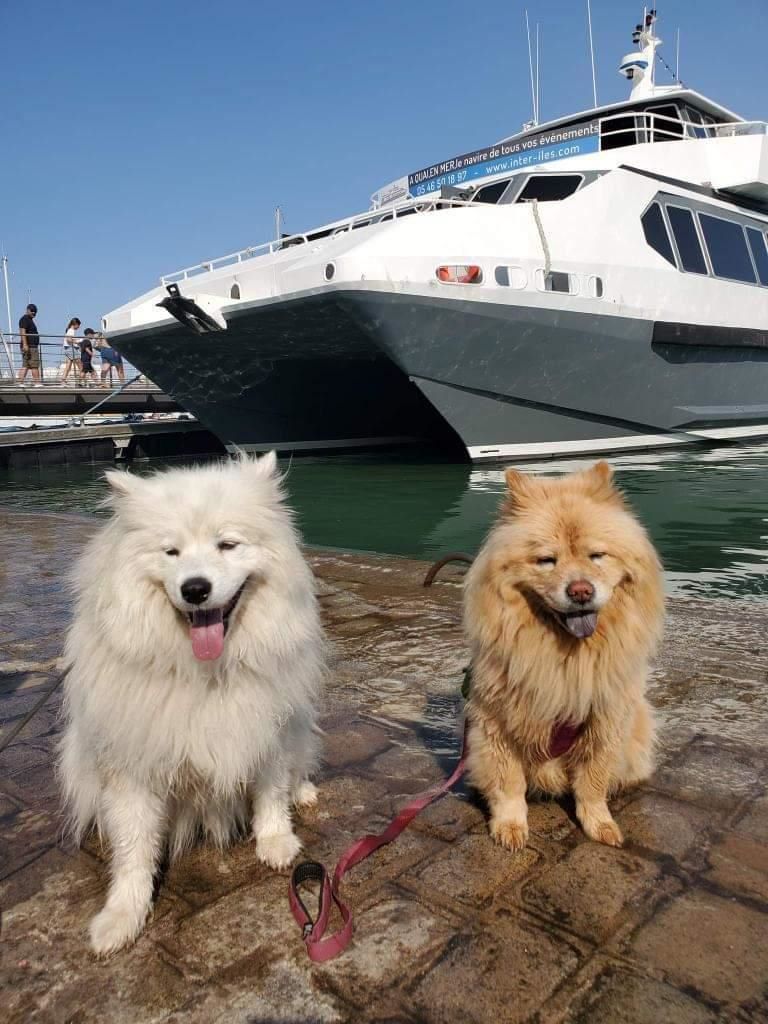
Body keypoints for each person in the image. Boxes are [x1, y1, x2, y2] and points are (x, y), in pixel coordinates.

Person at [17, 303, 43, 386]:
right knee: (34, 365)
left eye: (35, 311)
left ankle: (20, 383)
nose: (34, 313)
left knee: (26, 365)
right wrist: (25, 344)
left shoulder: (28, 319)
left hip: (30, 346)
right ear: (27, 310)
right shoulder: (25, 319)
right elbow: (22, 331)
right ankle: (37, 383)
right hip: (30, 346)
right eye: (32, 311)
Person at [62, 317, 81, 383]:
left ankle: (63, 380)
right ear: (75, 324)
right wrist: (77, 342)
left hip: (67, 349)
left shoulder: (69, 330)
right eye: (78, 325)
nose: (78, 327)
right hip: (71, 349)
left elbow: (69, 339)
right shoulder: (71, 330)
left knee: (68, 366)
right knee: (80, 366)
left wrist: (75, 341)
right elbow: (69, 339)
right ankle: (81, 382)